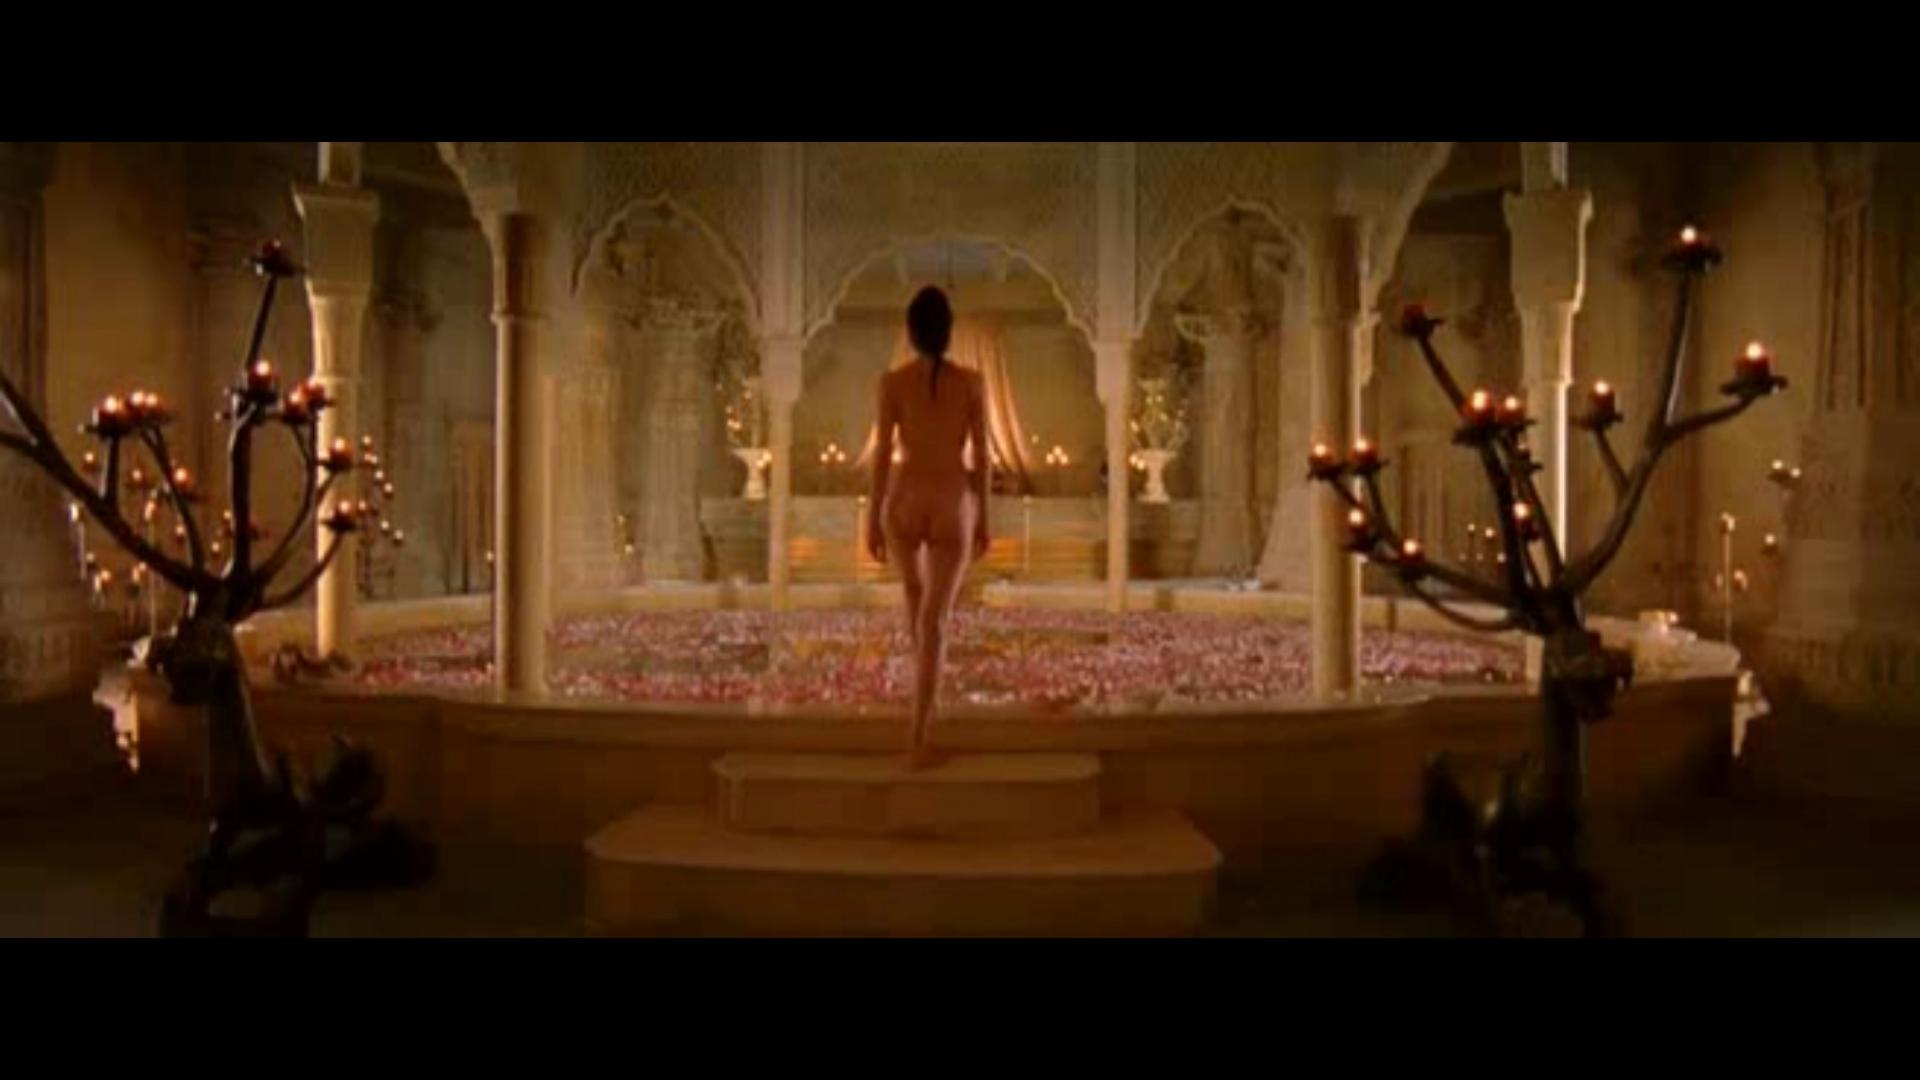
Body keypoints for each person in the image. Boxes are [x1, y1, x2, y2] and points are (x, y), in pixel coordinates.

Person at [867, 286, 990, 769]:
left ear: (912, 333)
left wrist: (872, 518)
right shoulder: (972, 383)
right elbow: (981, 456)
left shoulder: (892, 383)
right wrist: (984, 516)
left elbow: (882, 455)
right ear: (948, 332)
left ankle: (925, 706)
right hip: (949, 500)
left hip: (904, 500)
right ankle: (920, 732)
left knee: (916, 605)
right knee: (934, 620)